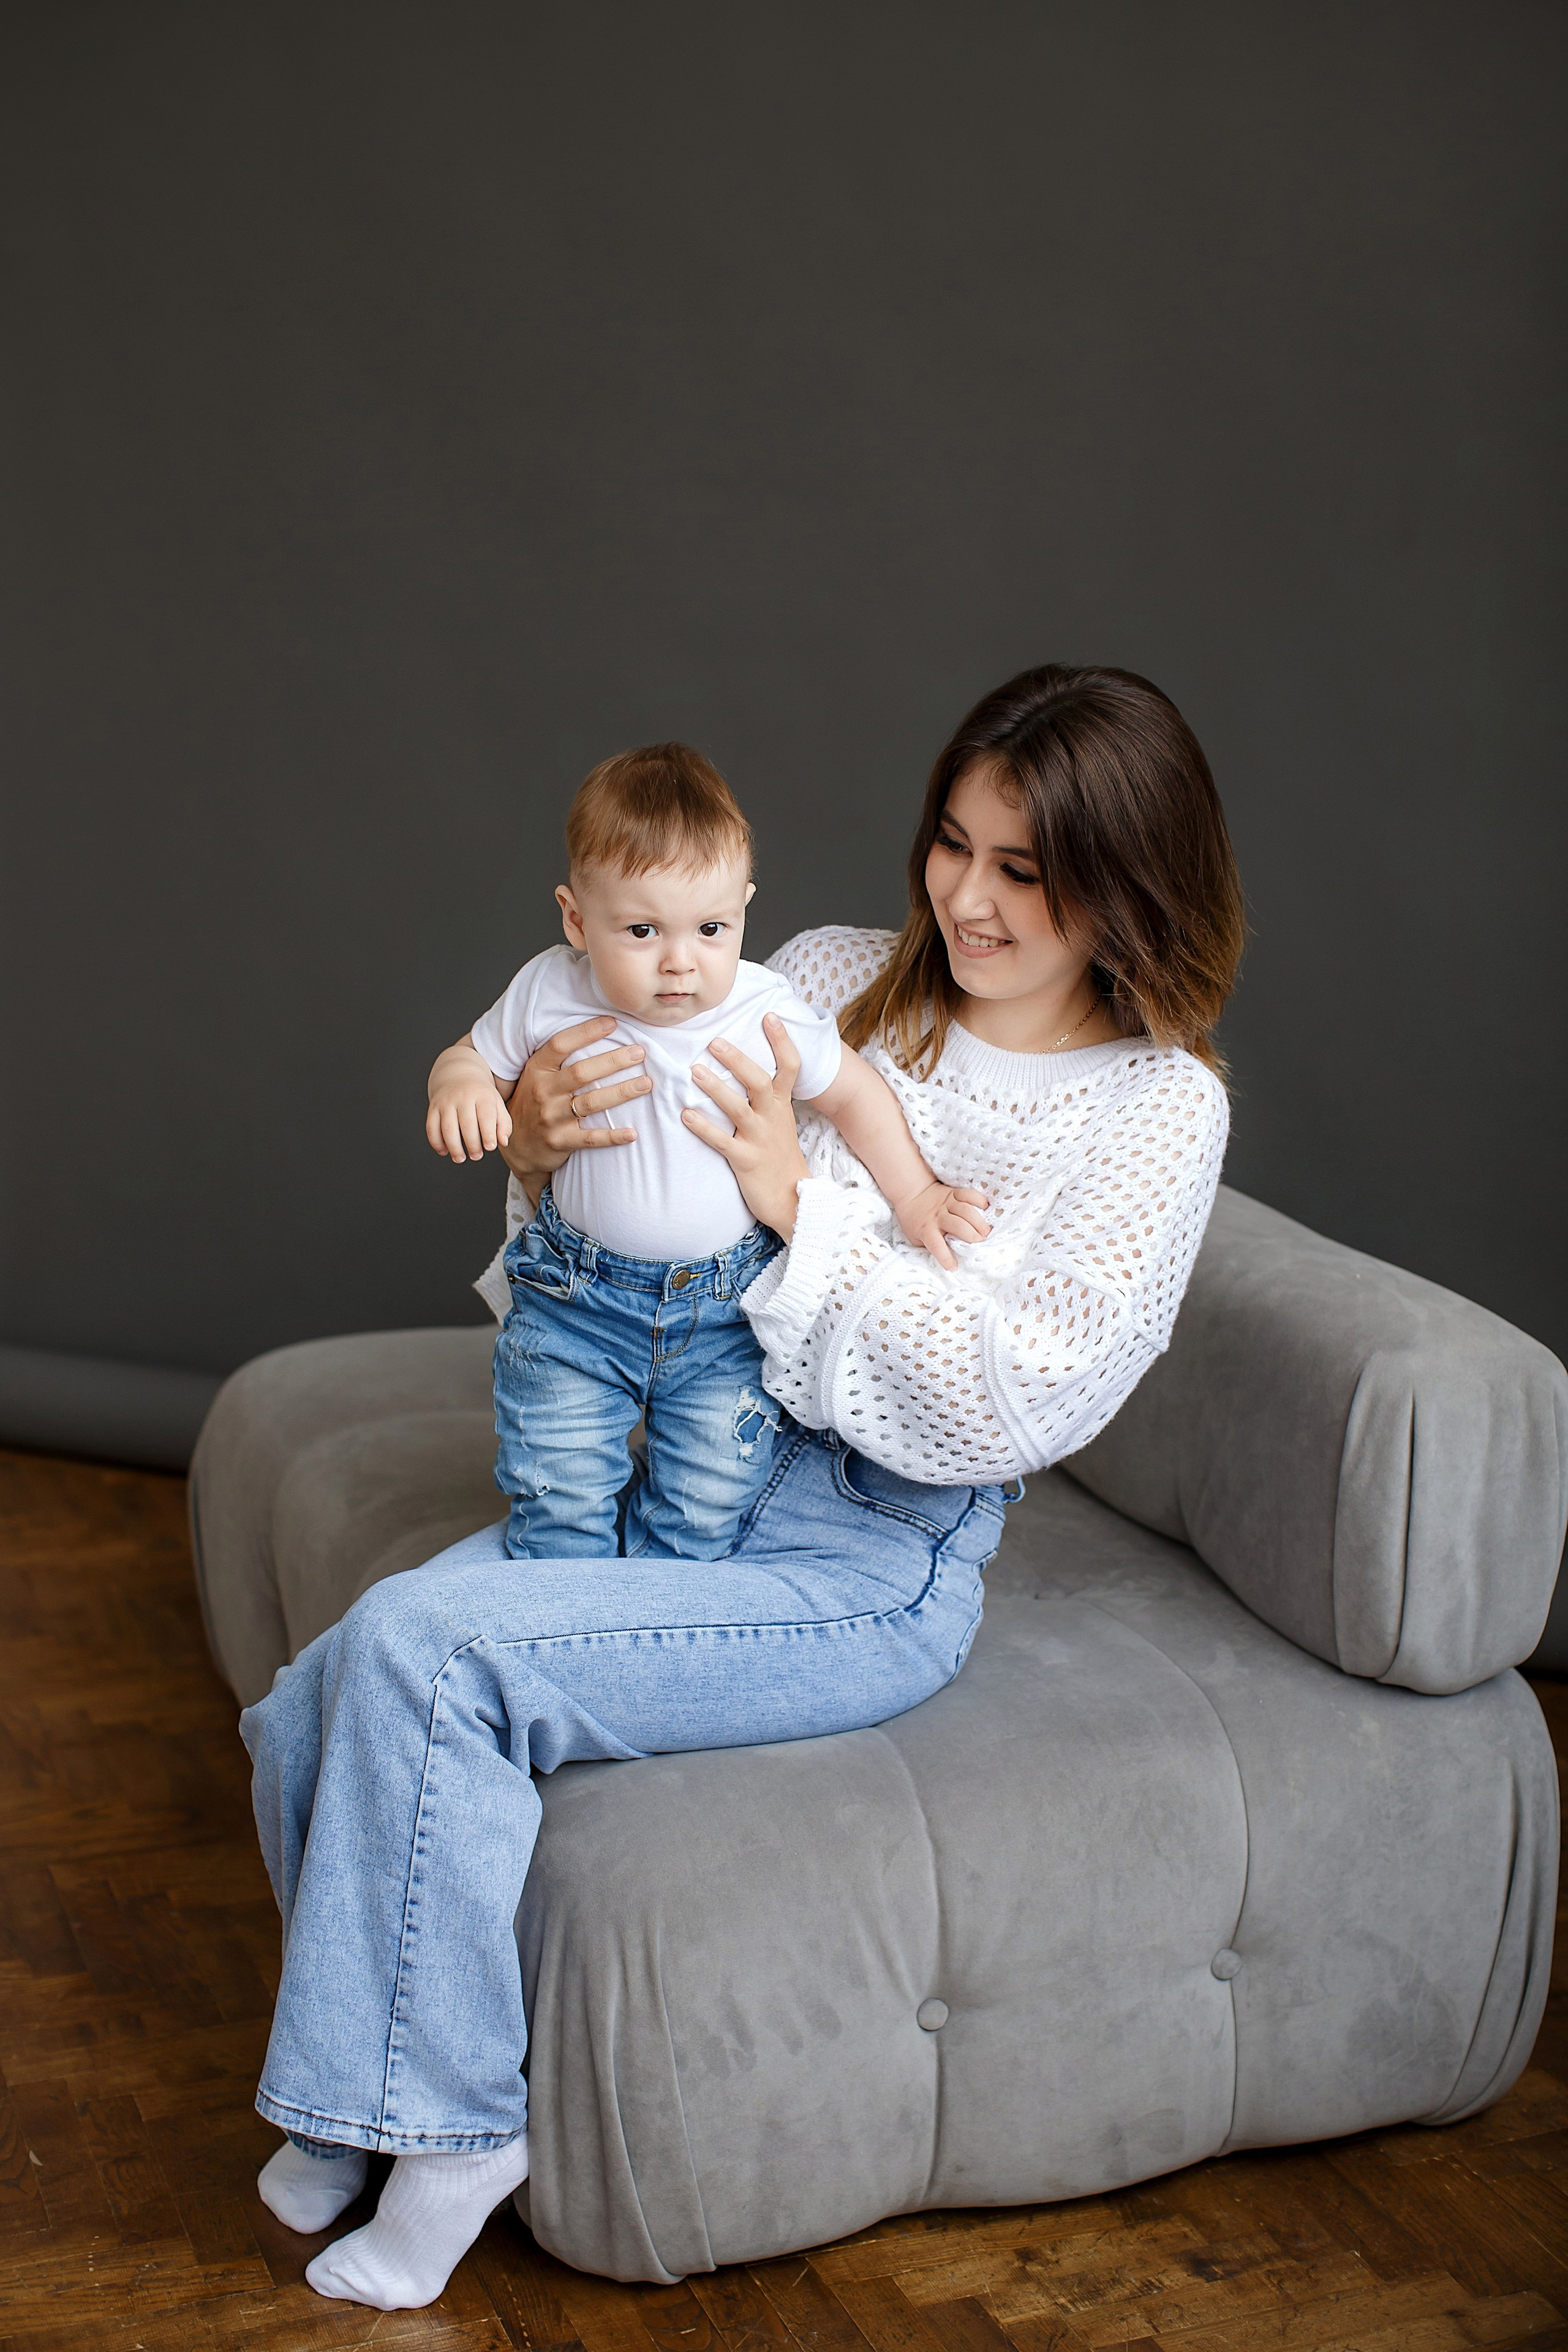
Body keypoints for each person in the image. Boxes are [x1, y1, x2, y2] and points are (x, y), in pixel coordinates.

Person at [242, 664, 1245, 2312]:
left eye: (1025, 867)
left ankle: (449, 2132)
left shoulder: (1154, 1112)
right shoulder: (835, 974)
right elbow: (624, 1250)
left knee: (432, 1661)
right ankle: (356, 2108)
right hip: (687, 1468)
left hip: (865, 1561)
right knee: (325, 1684)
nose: (968, 898)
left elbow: (1012, 1395)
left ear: (1131, 882)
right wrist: (539, 1155)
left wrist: (806, 1208)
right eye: (955, 842)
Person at [423, 742, 987, 1561]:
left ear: (745, 911)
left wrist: (917, 1197)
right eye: (643, 929)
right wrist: (463, 1090)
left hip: (725, 1313)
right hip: (577, 1300)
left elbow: (857, 1096)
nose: (681, 961)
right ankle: (565, 1629)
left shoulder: (765, 1009)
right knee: (557, 1495)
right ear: (577, 919)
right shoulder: (551, 987)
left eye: (712, 928)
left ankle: (657, 1629)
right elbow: (468, 1055)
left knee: (705, 1507)